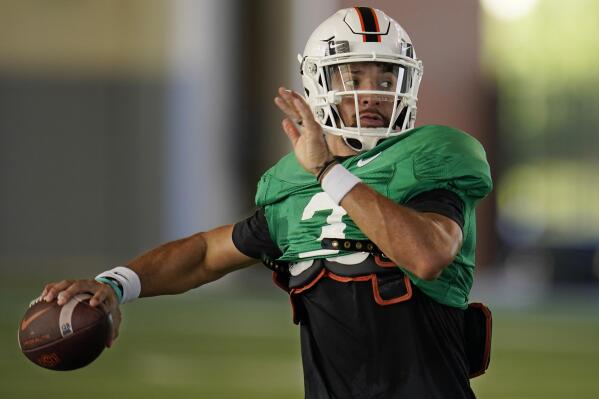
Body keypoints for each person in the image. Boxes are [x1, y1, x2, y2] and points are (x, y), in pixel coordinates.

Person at [40, 7, 492, 398]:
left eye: (385, 75)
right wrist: (115, 284)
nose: (372, 91)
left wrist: (328, 173)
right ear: (317, 83)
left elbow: (429, 254)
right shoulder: (290, 190)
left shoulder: (429, 158)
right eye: (354, 75)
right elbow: (203, 254)